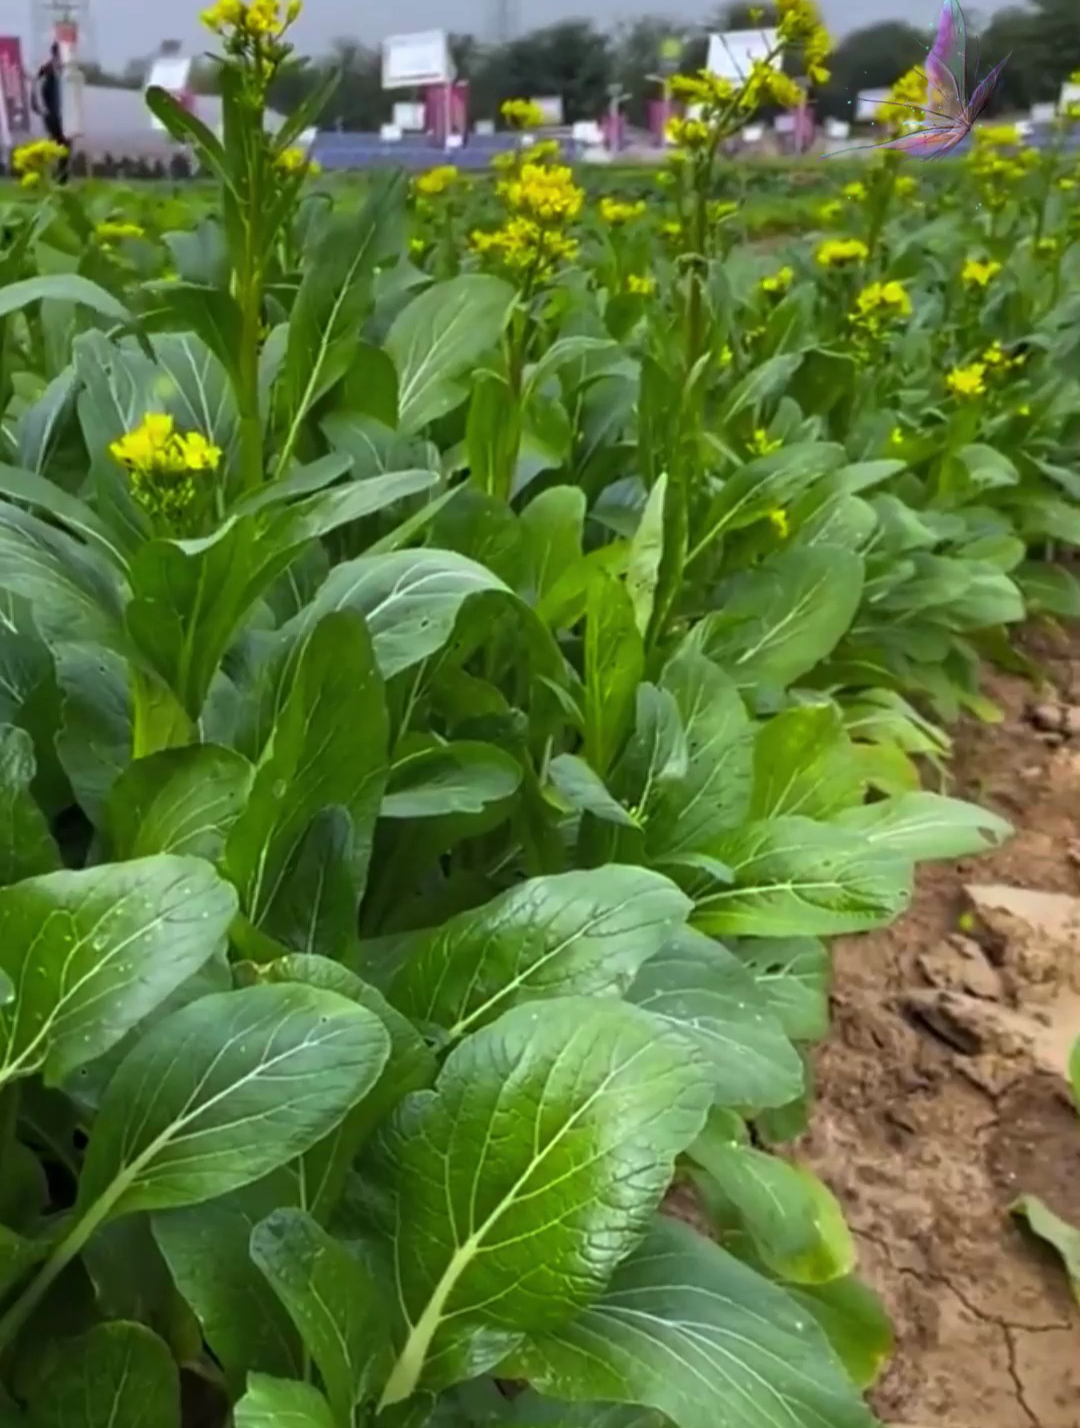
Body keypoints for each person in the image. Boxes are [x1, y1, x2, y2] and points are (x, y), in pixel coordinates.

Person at [30, 43, 71, 184]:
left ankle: (61, 178)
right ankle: (54, 177)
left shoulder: (65, 71)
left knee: (65, 146)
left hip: (64, 115)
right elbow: (36, 89)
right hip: (52, 115)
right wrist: (41, 109)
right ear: (55, 54)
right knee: (58, 145)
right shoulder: (46, 70)